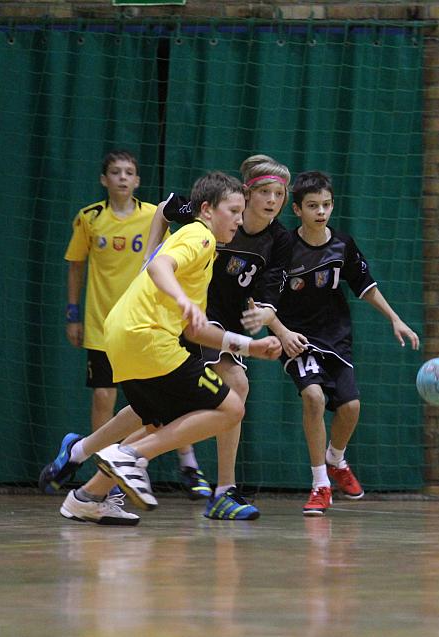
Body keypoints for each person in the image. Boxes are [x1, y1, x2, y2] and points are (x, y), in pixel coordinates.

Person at [40, 171, 282, 525]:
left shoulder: (203, 251)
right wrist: (181, 298)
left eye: (241, 213)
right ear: (207, 210)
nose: (239, 220)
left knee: (161, 420)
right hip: (149, 339)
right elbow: (159, 265)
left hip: (122, 337)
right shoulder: (200, 236)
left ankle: (86, 497)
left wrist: (251, 346)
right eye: (233, 211)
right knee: (231, 407)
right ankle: (129, 455)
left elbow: (195, 330)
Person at [268, 170, 420, 516]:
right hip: (297, 336)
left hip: (335, 335)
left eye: (326, 204)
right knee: (313, 396)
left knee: (351, 407)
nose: (321, 211)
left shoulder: (342, 245)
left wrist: (395, 318)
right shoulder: (284, 248)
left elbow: (365, 284)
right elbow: (263, 298)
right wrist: (281, 333)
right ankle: (320, 484)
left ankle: (336, 459)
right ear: (297, 209)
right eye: (312, 206)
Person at [159, 154, 295, 519]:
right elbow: (165, 209)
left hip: (220, 321)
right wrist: (151, 255)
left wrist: (268, 315)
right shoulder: (216, 215)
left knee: (164, 405)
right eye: (264, 192)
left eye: (279, 194)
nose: (272, 200)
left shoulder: (279, 239)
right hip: (184, 313)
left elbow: (269, 292)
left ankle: (91, 455)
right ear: (246, 194)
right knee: (231, 386)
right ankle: (217, 485)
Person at [61, 150, 171, 435]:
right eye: (115, 172)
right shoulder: (90, 217)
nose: (122, 178)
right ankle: (101, 460)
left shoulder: (154, 216)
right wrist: (72, 314)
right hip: (102, 322)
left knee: (153, 399)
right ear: (103, 179)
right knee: (103, 395)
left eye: (129, 173)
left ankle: (149, 456)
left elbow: (171, 261)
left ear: (137, 181)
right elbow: (76, 265)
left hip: (142, 322)